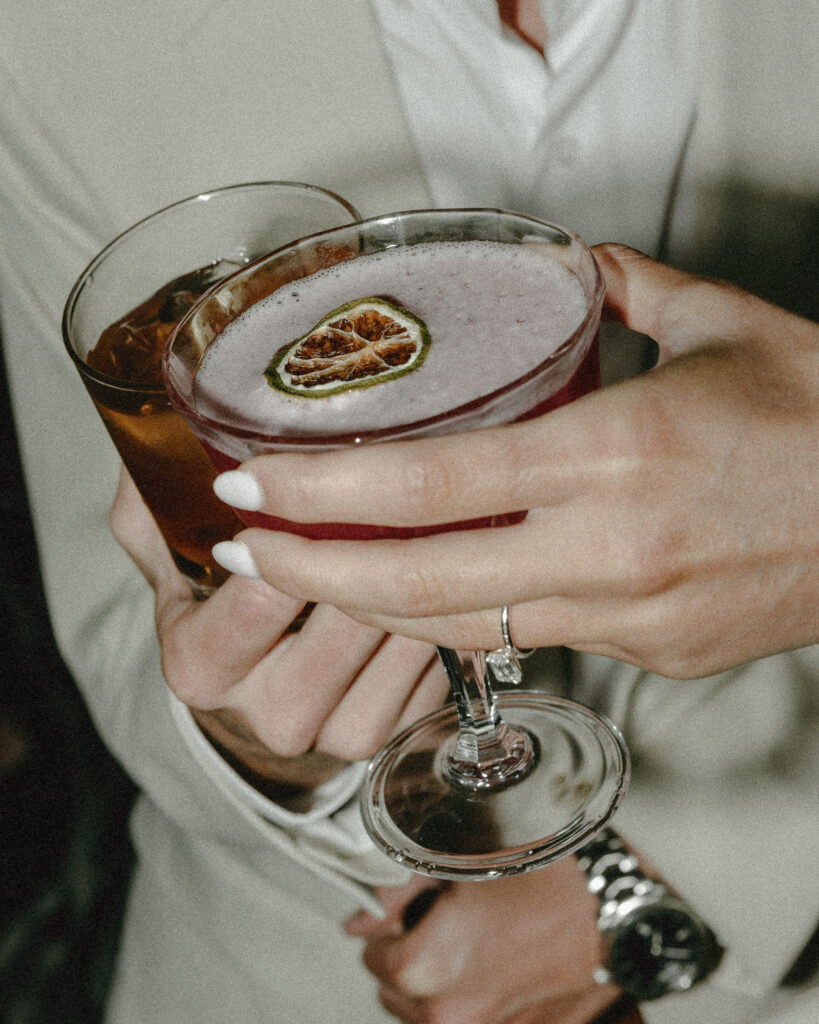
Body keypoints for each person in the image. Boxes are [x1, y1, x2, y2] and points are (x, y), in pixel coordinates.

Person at [1, 2, 817, 1023]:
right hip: (296, 971)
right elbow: (121, 622)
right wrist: (262, 746)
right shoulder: (42, 35)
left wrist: (705, 869)